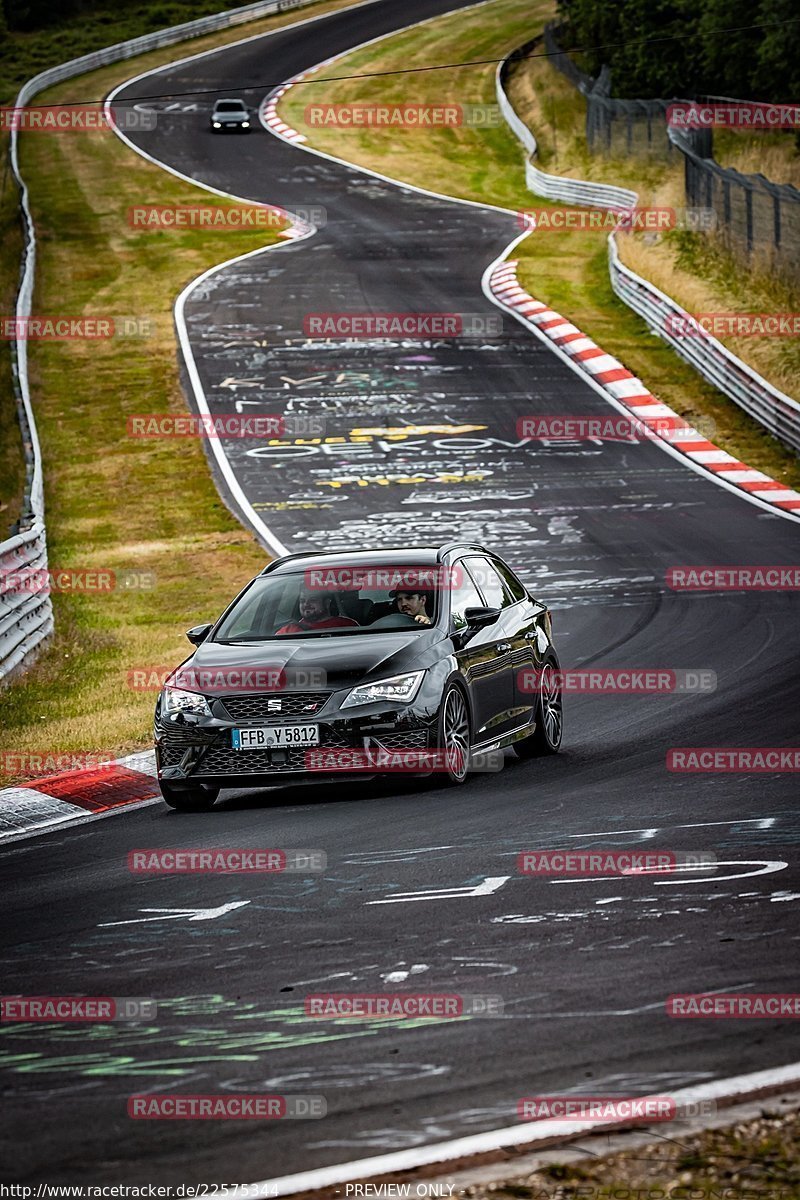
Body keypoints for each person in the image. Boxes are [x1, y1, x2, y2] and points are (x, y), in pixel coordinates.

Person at [275, 588, 359, 635]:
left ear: (326, 603)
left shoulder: (347, 625)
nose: (306, 604)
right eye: (302, 600)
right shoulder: (288, 630)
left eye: (312, 600)